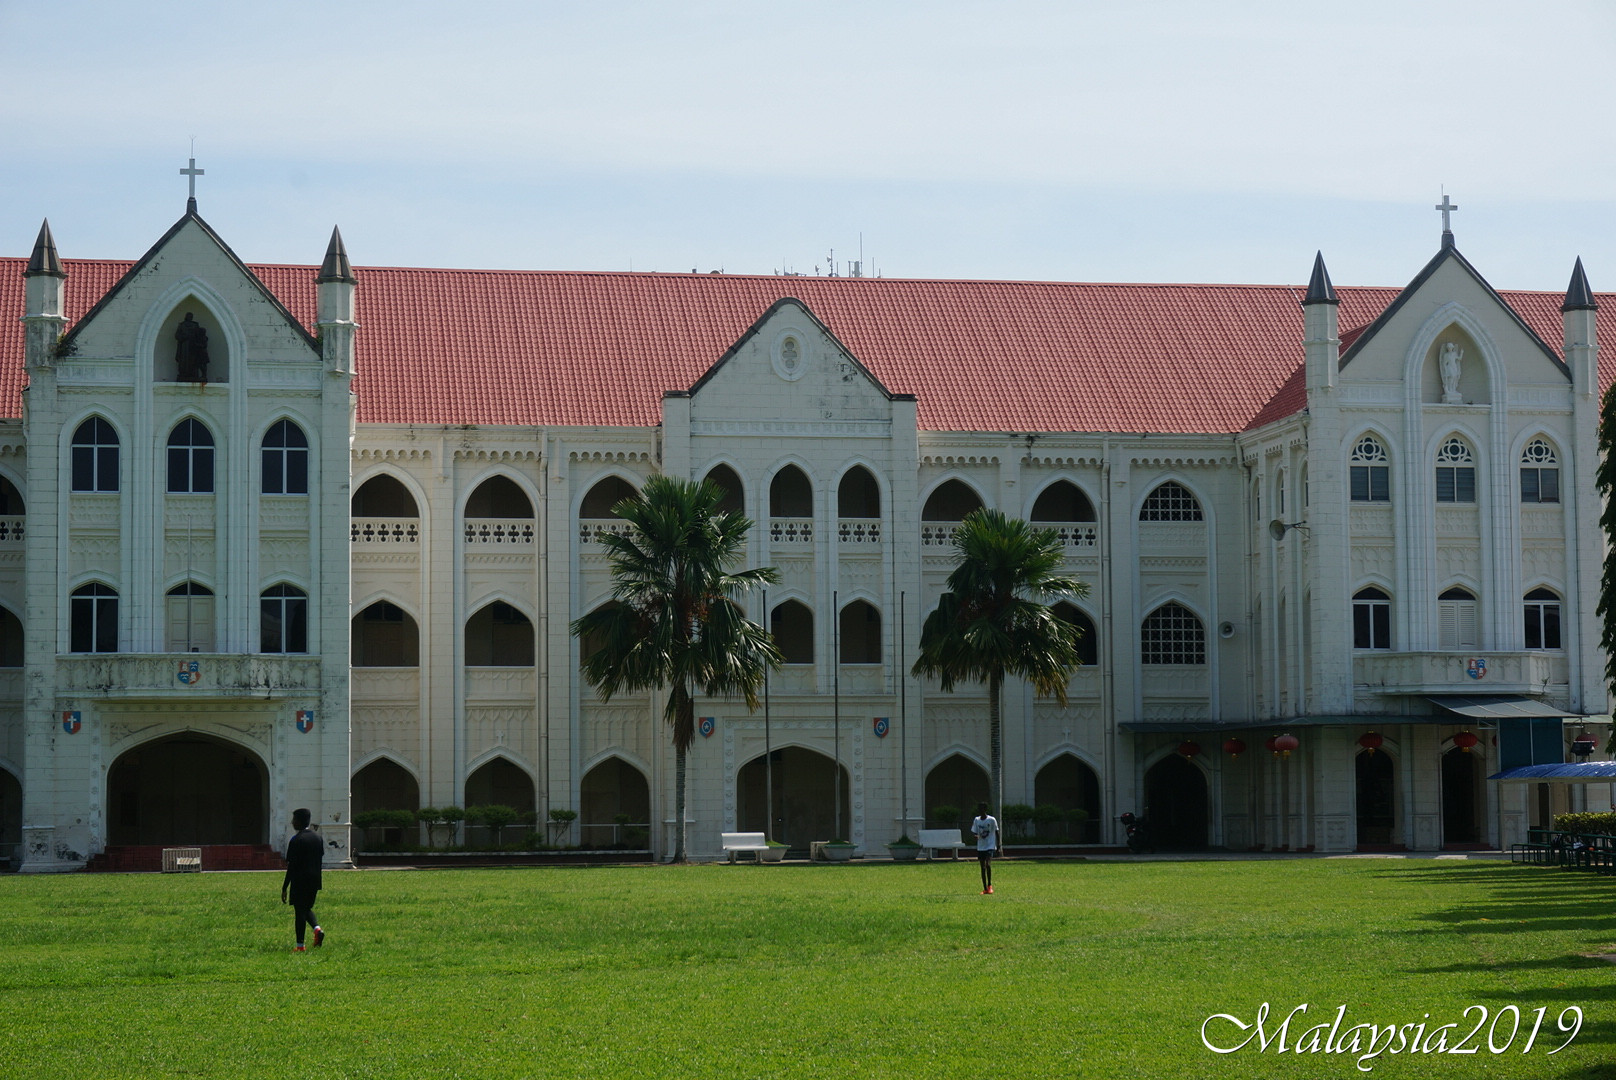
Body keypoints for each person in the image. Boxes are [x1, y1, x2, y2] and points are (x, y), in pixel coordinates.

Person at [282, 807, 325, 951]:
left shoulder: (296, 840)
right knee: (306, 908)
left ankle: (300, 946)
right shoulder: (318, 838)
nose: (292, 822)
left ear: (299, 821)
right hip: (315, 880)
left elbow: (292, 866)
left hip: (300, 880)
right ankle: (317, 930)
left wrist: (284, 887)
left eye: (294, 819)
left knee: (299, 912)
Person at [971, 801, 1001, 894]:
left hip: (990, 845)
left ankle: (990, 885)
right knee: (982, 867)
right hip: (981, 846)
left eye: (981, 809)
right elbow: (974, 831)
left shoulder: (992, 820)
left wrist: (999, 845)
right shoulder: (977, 820)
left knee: (988, 865)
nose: (980, 811)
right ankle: (984, 888)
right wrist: (975, 836)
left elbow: (996, 832)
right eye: (979, 809)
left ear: (985, 809)